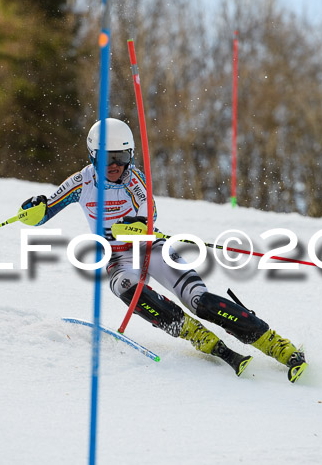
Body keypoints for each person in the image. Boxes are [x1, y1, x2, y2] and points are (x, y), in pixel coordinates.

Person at [18, 118, 307, 382]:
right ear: (93, 156)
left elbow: (149, 216)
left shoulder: (136, 181)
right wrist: (34, 209)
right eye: (108, 158)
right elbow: (45, 212)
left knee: (200, 301)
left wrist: (136, 225)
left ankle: (278, 346)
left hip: (151, 250)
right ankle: (196, 336)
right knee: (124, 287)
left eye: (122, 157)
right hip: (119, 259)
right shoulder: (82, 182)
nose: (116, 165)